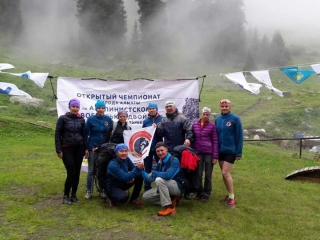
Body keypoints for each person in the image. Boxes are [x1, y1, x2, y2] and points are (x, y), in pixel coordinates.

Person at [55, 98, 89, 205]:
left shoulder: (81, 120)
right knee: (71, 172)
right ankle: (66, 196)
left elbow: (84, 135)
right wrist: (59, 150)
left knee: (77, 173)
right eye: (73, 106)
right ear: (69, 107)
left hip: (79, 148)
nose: (75, 108)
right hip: (67, 148)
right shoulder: (63, 118)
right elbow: (57, 134)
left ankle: (73, 195)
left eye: (77, 107)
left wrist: (86, 148)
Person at [215, 99, 243, 208]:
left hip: (231, 150)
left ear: (230, 107)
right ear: (220, 107)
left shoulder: (235, 119)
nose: (224, 108)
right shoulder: (218, 119)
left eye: (226, 106)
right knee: (223, 173)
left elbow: (239, 136)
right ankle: (229, 194)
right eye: (222, 106)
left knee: (226, 173)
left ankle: (232, 197)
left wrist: (239, 152)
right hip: (220, 150)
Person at [142, 142, 183, 216]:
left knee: (159, 180)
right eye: (158, 151)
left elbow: (168, 176)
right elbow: (150, 179)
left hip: (177, 187)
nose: (160, 153)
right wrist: (140, 170)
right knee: (146, 196)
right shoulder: (160, 162)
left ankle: (168, 207)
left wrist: (154, 173)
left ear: (166, 150)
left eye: (162, 150)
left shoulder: (174, 160)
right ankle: (172, 201)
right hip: (166, 186)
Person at [97, 110, 131, 199]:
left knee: (121, 170)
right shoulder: (114, 125)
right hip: (112, 152)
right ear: (118, 117)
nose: (122, 118)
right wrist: (99, 145)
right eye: (121, 116)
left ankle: (118, 188)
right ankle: (104, 189)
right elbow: (106, 136)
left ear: (127, 117)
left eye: (124, 116)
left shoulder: (128, 127)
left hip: (122, 152)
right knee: (105, 170)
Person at [84, 100, 113, 200]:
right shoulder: (91, 119)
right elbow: (86, 134)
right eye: (99, 108)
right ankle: (89, 191)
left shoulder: (108, 120)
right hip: (93, 148)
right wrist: (86, 148)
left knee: (102, 170)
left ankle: (102, 190)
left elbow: (110, 134)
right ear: (96, 109)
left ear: (105, 109)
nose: (101, 109)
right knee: (91, 170)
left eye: (102, 108)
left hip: (104, 149)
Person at [192, 107, 219, 201]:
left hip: (209, 153)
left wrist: (215, 156)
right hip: (198, 152)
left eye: (207, 114)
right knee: (198, 174)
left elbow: (215, 141)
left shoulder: (212, 126)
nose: (205, 116)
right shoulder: (195, 125)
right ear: (201, 114)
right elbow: (193, 139)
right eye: (204, 114)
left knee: (208, 174)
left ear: (209, 115)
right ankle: (199, 192)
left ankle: (206, 193)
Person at [142, 102, 163, 192]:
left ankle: (161, 186)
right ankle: (147, 187)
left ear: (156, 109)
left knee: (161, 166)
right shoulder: (145, 121)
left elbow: (163, 132)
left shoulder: (162, 119)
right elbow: (143, 133)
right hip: (148, 148)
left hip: (158, 147)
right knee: (147, 167)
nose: (151, 110)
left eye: (153, 108)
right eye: (150, 108)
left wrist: (157, 128)